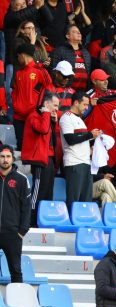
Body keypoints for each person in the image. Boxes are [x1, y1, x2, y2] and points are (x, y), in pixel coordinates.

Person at [22, 91, 58, 227]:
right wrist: (47, 114)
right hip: (38, 159)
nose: (56, 109)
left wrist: (53, 121)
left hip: (48, 159)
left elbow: (51, 139)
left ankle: (43, 222)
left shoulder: (45, 117)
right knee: (37, 193)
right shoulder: (34, 116)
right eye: (54, 105)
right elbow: (42, 130)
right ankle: (30, 223)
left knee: (48, 193)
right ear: (46, 104)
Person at [60, 92, 100, 208]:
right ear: (76, 103)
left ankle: (84, 224)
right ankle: (71, 224)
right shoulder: (66, 117)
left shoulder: (80, 119)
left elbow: (80, 140)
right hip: (74, 163)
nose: (87, 107)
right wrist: (90, 135)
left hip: (86, 162)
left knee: (86, 201)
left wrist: (90, 149)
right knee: (74, 200)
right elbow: (70, 139)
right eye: (85, 104)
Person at [0, 146, 31, 283]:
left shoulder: (22, 179)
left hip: (12, 233)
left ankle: (17, 302)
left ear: (13, 159)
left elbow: (27, 207)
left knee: (16, 271)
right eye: (2, 156)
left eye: (8, 157)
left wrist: (22, 231)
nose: (5, 160)